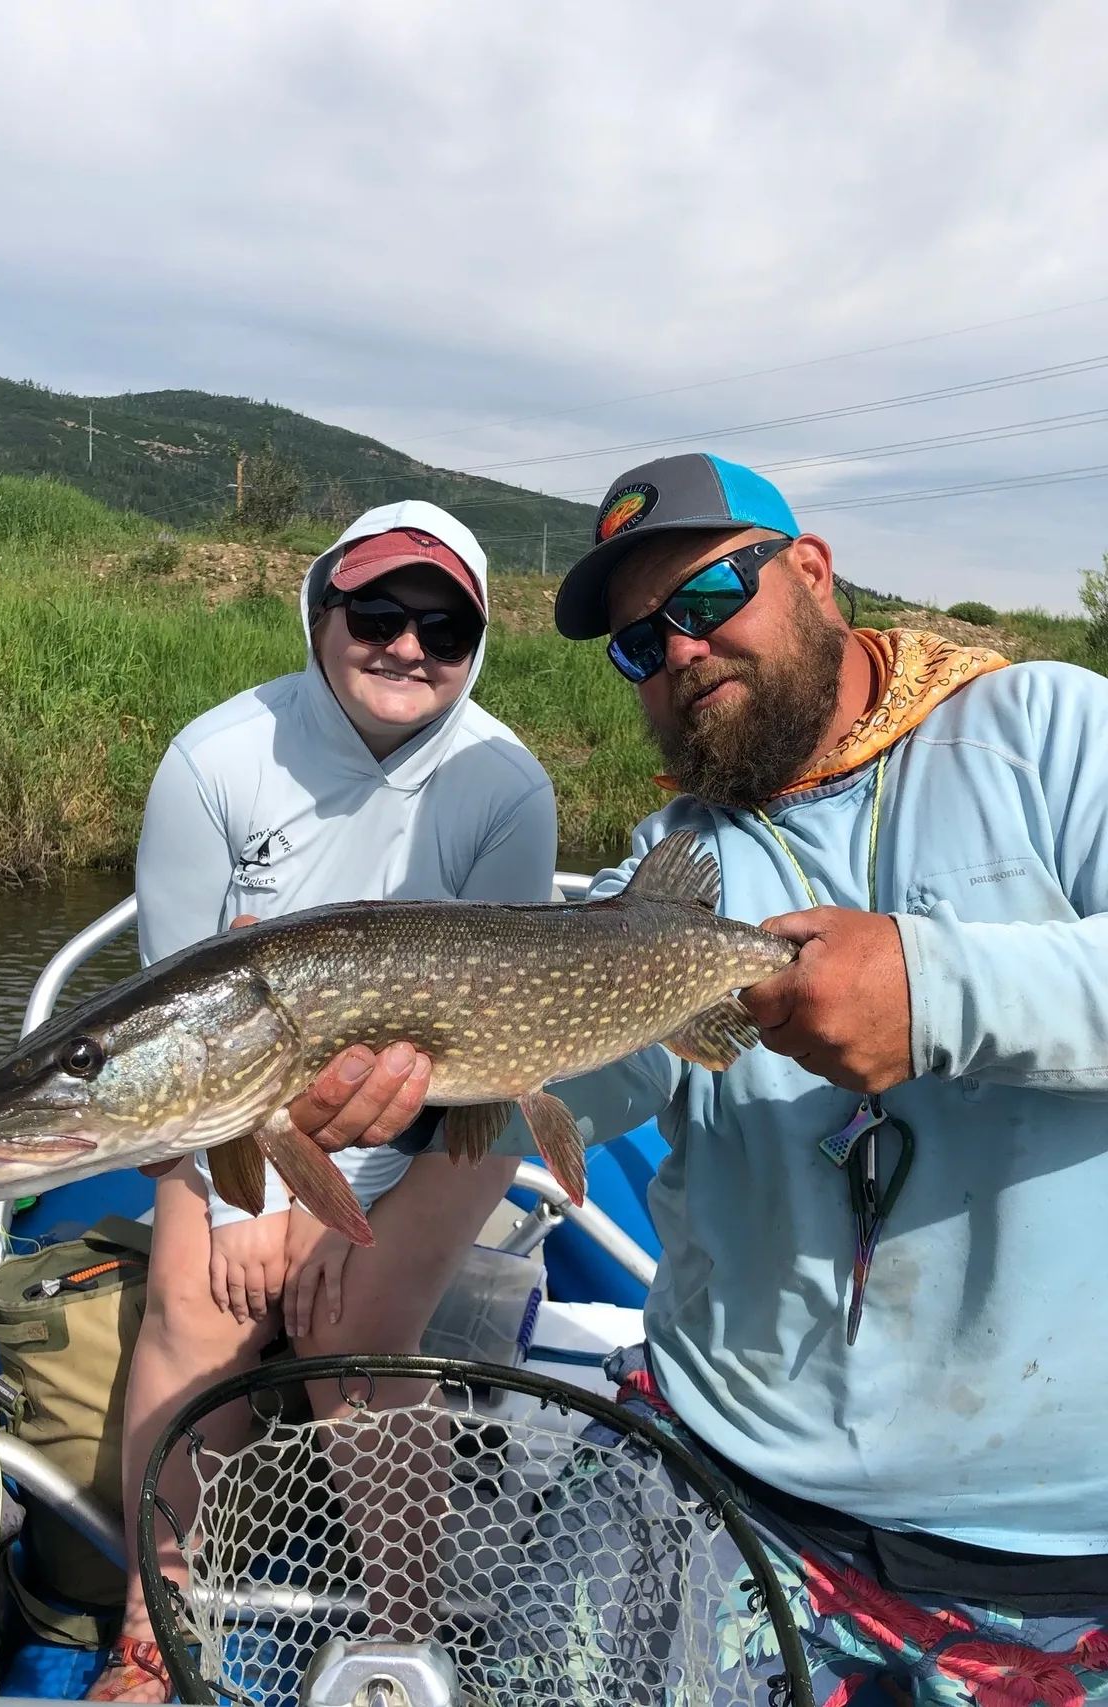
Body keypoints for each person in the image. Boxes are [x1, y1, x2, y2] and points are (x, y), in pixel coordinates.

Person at [293, 453, 1108, 1707]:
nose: (675, 651)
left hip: (1052, 1536)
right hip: (715, 1466)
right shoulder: (674, 858)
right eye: (635, 647)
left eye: (710, 593)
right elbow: (605, 1085)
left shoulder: (1046, 732)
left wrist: (935, 989)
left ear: (813, 573)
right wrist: (430, 1097)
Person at [87, 500, 557, 1702]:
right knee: (197, 1319)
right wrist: (246, 1207)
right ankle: (153, 1620)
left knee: (354, 1328)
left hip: (449, 1108)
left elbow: (493, 1052)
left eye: (443, 627)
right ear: (321, 611)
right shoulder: (216, 757)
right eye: (378, 614)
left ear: (476, 643)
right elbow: (180, 1033)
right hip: (237, 1106)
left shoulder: (504, 785)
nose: (407, 646)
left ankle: (401, 1630)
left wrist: (331, 1208)